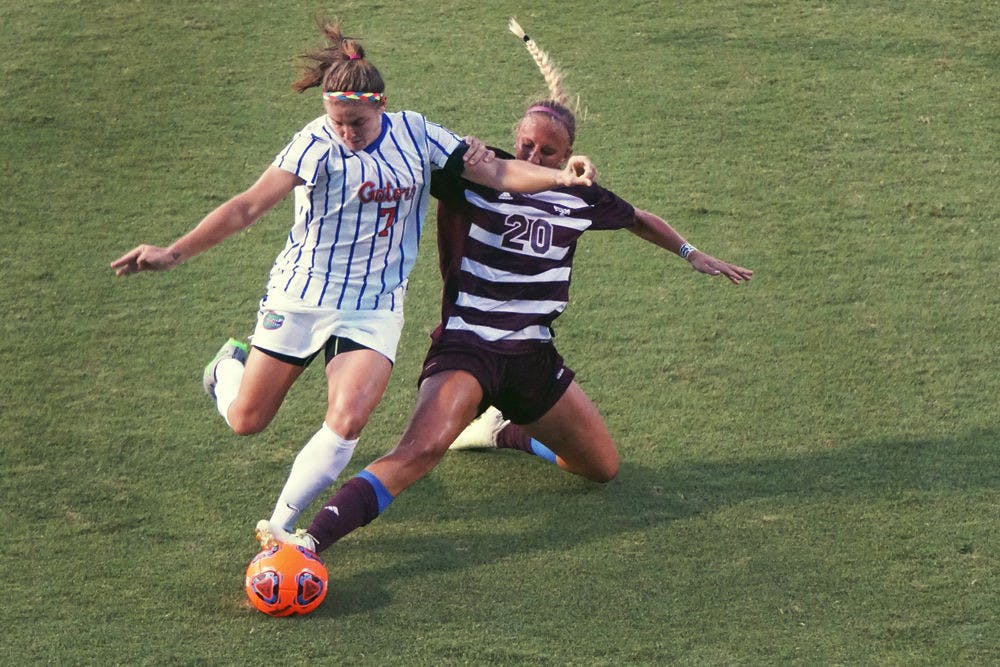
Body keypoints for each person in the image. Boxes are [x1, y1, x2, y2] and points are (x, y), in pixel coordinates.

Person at [257, 19, 752, 553]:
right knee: (419, 453)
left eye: (548, 152)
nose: (532, 158)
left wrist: (690, 252)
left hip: (533, 355)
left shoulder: (577, 195)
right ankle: (307, 541)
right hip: (467, 349)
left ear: (567, 156)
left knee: (601, 467)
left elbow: (638, 218)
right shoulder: (481, 171)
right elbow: (418, 162)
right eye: (526, 145)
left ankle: (501, 430)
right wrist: (467, 151)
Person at [110, 18, 596, 539]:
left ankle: (280, 529)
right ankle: (227, 366)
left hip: (373, 306)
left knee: (348, 419)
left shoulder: (416, 134)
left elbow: (496, 173)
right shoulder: (313, 145)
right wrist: (174, 253)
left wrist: (560, 178)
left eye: (356, 123)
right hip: (301, 296)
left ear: (380, 107)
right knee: (247, 419)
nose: (345, 133)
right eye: (336, 120)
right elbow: (247, 206)